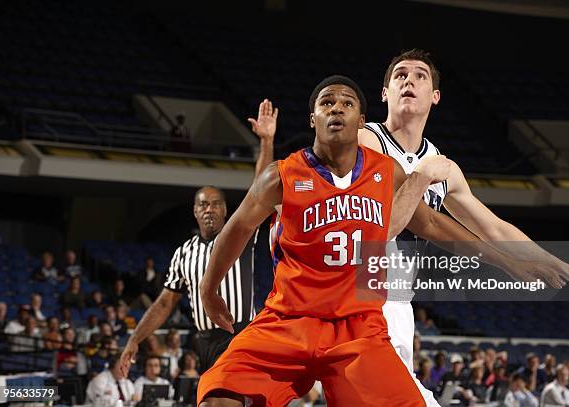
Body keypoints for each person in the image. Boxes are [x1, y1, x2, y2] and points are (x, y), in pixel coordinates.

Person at [355, 48, 569, 405]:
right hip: (357, 292)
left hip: (397, 303)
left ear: (435, 96)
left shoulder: (444, 166)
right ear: (385, 93)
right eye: (400, 75)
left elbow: (496, 228)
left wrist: (565, 267)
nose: (409, 80)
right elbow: (407, 221)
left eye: (420, 75)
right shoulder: (367, 141)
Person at [196, 75, 453, 406]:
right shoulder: (283, 178)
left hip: (358, 324)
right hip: (290, 318)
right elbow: (240, 225)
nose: (337, 109)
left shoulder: (384, 172)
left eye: (347, 103)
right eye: (327, 102)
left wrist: (505, 256)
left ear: (361, 121)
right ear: (313, 118)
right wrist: (208, 287)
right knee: (218, 398)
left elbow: (429, 221)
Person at [119, 99, 279, 378]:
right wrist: (135, 338)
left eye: (216, 204)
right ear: (194, 211)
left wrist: (266, 142)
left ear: (226, 210)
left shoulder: (238, 234)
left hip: (240, 333)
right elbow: (164, 304)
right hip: (204, 341)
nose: (210, 209)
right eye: (203, 204)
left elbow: (259, 189)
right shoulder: (183, 252)